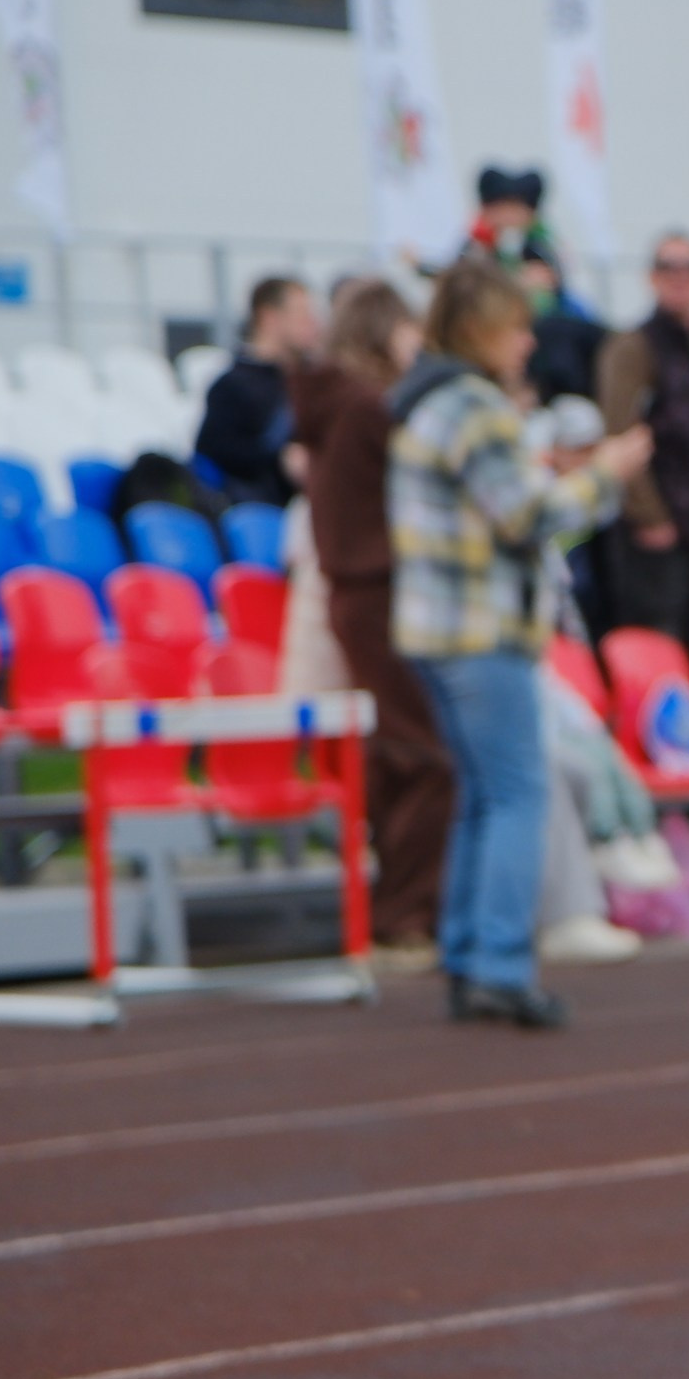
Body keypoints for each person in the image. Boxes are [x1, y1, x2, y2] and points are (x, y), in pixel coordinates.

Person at [391, 259, 648, 1028]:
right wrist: (605, 476)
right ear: (482, 329)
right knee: (516, 793)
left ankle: (471, 950)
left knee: (481, 793)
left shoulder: (423, 401)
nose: (529, 342)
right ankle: (498, 960)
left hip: (436, 625)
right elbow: (525, 517)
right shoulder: (473, 404)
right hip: (481, 627)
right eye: (516, 326)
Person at [289, 279, 453, 951]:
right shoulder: (369, 407)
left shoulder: (332, 403)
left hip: (355, 589)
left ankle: (400, 905)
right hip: (381, 586)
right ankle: (407, 911)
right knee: (425, 754)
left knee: (396, 752)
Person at [595, 233, 689, 646]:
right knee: (662, 652)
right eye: (668, 267)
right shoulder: (633, 347)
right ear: (651, 277)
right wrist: (650, 516)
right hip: (660, 534)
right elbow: (620, 435)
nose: (681, 278)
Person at [469, 165, 604, 404]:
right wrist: (516, 284)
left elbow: (559, 288)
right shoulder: (476, 250)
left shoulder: (542, 247)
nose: (510, 217)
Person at [197, 274, 322, 506]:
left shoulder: (315, 379)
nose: (313, 324)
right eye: (302, 314)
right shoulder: (232, 385)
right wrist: (280, 459)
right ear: (270, 318)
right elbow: (214, 453)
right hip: (267, 509)